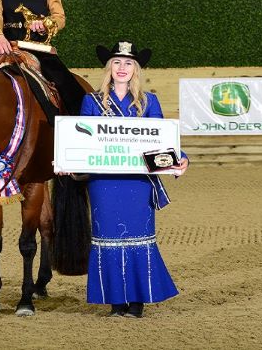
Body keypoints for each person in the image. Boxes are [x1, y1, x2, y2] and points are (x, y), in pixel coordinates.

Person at [80, 41, 189, 318]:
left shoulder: (149, 102)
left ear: (135, 69)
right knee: (107, 237)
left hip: (138, 183)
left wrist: (181, 157)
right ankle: (116, 303)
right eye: (116, 62)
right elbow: (80, 141)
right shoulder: (91, 102)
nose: (122, 68)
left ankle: (138, 302)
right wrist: (67, 160)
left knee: (140, 237)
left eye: (128, 63)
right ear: (109, 68)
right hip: (103, 182)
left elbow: (163, 140)